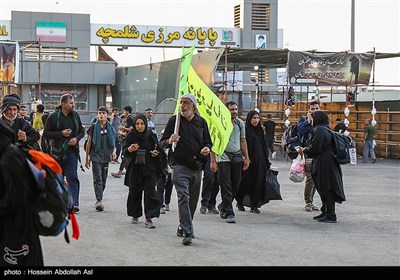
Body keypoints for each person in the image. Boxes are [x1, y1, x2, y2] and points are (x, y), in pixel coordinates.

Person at [160, 93, 212, 245]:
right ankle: (188, 231)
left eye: (186, 103)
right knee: (183, 197)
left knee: (193, 201)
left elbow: (208, 142)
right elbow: (162, 142)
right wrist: (170, 140)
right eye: (181, 102)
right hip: (179, 165)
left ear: (193, 106)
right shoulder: (174, 121)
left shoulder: (201, 122)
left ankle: (182, 226)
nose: (182, 105)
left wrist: (206, 149)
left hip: (196, 166)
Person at [0, 120, 44, 266]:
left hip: (19, 228)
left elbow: (16, 198)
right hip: (16, 225)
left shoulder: (9, 158)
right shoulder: (9, 153)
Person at [298, 111, 346, 223]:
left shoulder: (320, 130)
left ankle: (331, 214)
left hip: (325, 163)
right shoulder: (325, 128)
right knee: (324, 187)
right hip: (327, 162)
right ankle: (326, 211)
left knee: (327, 187)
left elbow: (316, 147)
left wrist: (304, 150)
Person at [43, 94, 85, 213]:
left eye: (73, 102)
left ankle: (74, 203)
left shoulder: (75, 116)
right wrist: (61, 134)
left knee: (72, 176)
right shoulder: (53, 117)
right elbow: (46, 134)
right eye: (71, 103)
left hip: (72, 152)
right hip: (56, 153)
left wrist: (76, 139)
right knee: (58, 179)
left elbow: (82, 131)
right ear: (63, 104)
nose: (73, 105)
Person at [210, 100, 250, 224]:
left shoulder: (239, 124)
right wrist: (213, 161)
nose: (234, 112)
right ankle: (229, 212)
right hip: (223, 158)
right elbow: (214, 143)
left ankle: (223, 206)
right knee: (226, 185)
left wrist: (246, 158)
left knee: (235, 185)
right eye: (232, 109)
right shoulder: (220, 124)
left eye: (235, 109)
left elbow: (243, 141)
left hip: (237, 157)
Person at [123, 114, 166, 229]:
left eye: (142, 124)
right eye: (137, 124)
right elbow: (124, 151)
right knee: (134, 191)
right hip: (135, 168)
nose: (140, 126)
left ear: (145, 124)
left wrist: (155, 153)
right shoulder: (131, 135)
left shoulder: (150, 135)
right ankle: (135, 214)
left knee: (150, 191)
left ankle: (149, 217)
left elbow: (158, 149)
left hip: (149, 167)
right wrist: (130, 149)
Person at [236, 110, 271, 214]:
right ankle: (240, 202)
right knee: (244, 183)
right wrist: (244, 158)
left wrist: (266, 161)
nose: (256, 120)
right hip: (248, 163)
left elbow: (264, 146)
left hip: (260, 163)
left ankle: (254, 205)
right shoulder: (245, 130)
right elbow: (241, 144)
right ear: (249, 119)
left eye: (257, 118)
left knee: (258, 184)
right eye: (253, 118)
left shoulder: (260, 130)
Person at [85, 106, 117, 212]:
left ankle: (99, 196)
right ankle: (99, 200)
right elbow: (89, 143)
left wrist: (113, 151)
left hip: (106, 156)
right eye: (99, 113)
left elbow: (113, 142)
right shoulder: (93, 127)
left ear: (107, 115)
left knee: (103, 180)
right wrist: (87, 158)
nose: (101, 115)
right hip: (95, 155)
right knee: (97, 178)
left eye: (103, 113)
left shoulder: (110, 128)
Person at [297, 100, 321, 212]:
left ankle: (311, 201)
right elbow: (301, 131)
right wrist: (308, 121)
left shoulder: (321, 120)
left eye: (317, 108)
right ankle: (308, 202)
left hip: (319, 153)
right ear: (309, 110)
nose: (315, 111)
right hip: (308, 152)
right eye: (312, 109)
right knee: (310, 178)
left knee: (316, 178)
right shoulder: (303, 120)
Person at [156, 129, 174, 214]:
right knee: (160, 187)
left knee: (169, 187)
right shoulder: (158, 146)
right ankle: (160, 205)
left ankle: (167, 202)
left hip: (171, 169)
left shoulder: (173, 147)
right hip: (161, 169)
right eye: (162, 135)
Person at [111, 114, 128, 178]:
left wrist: (122, 133)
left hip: (127, 143)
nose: (122, 120)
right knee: (125, 157)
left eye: (123, 119)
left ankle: (120, 172)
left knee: (125, 157)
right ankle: (127, 171)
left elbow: (128, 132)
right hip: (123, 142)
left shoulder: (128, 124)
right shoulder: (123, 124)